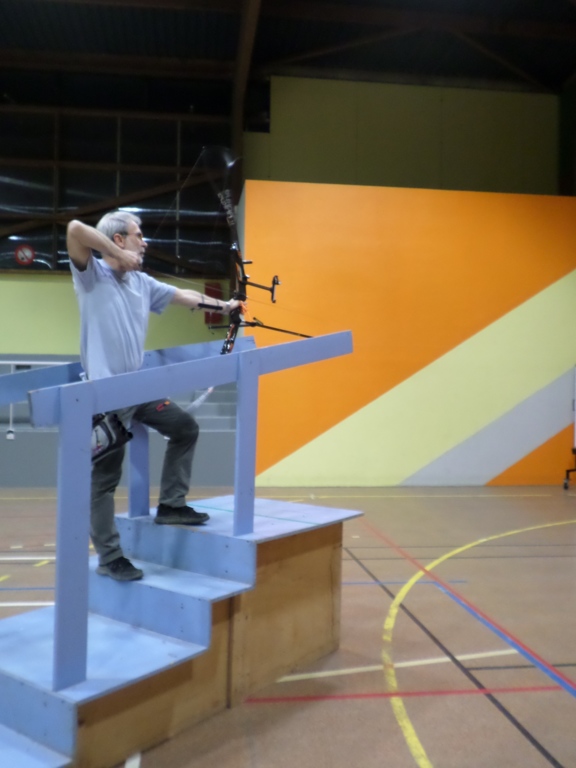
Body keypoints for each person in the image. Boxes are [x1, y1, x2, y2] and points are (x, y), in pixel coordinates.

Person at [67, 210, 243, 582]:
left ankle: (171, 505)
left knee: (184, 427)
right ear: (118, 240)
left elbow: (185, 296)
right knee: (104, 480)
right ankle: (110, 557)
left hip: (139, 389)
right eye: (137, 235)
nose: (144, 242)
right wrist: (117, 256)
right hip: (105, 396)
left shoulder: (142, 283)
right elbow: (75, 229)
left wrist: (226, 307)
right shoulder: (91, 276)